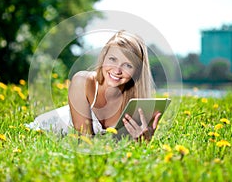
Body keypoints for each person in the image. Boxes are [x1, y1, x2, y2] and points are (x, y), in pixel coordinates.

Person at [26, 30, 161, 141]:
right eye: (112, 59)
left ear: (137, 70)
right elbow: (85, 142)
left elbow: (124, 146)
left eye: (127, 65)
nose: (117, 70)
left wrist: (143, 141)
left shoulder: (136, 102)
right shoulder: (82, 81)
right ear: (103, 57)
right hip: (41, 133)